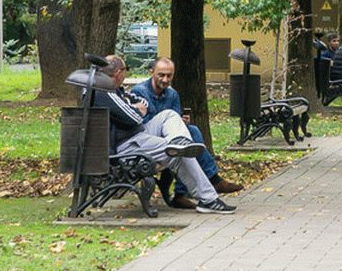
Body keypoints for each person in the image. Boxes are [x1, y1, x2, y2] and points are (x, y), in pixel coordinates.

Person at [94, 55, 236, 214]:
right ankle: (209, 199)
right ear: (119, 72)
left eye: (169, 75)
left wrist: (136, 107)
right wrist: (136, 108)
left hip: (135, 135)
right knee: (177, 153)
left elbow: (139, 105)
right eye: (126, 70)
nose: (165, 78)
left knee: (170, 116)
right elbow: (134, 117)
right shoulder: (105, 92)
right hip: (127, 143)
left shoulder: (112, 90)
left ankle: (180, 141)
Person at [132, 57, 243, 210]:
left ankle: (183, 193)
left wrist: (182, 122)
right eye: (161, 75)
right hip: (147, 138)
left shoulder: (172, 94)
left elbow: (174, 121)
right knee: (180, 135)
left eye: (169, 76)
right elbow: (143, 121)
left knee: (192, 132)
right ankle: (211, 180)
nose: (165, 80)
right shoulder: (140, 91)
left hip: (169, 138)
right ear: (152, 72)